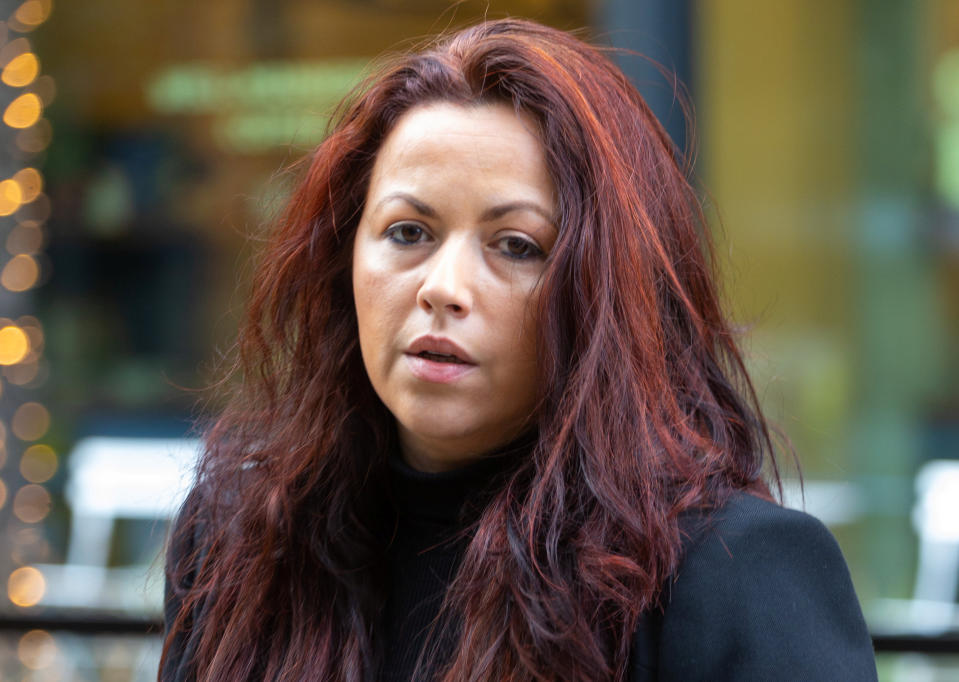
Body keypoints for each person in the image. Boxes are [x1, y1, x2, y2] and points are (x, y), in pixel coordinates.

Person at [160, 18, 878, 682]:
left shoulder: (731, 574)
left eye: (516, 246)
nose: (444, 289)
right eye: (408, 232)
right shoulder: (242, 541)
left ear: (607, 289)